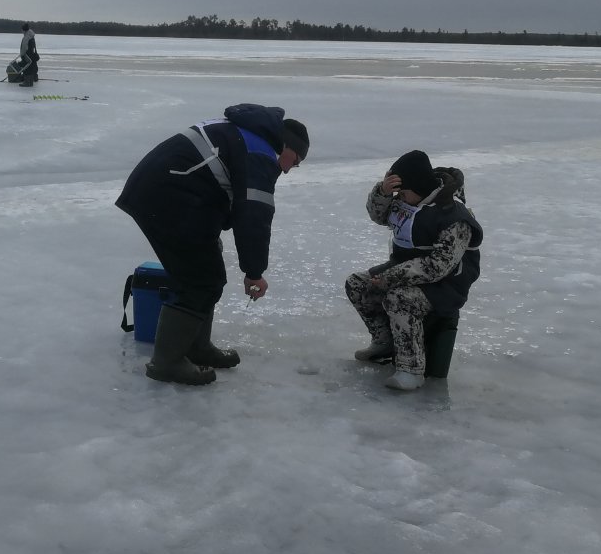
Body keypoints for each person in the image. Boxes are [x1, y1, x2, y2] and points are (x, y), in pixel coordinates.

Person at [116, 105, 309, 385]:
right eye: (296, 161)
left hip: (168, 192)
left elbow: (225, 192)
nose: (291, 169)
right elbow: (253, 218)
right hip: (166, 197)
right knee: (202, 280)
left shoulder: (249, 135)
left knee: (206, 268)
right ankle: (166, 363)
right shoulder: (261, 154)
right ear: (289, 148)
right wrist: (254, 272)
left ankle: (196, 347)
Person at [344, 150, 483, 392]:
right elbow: (379, 216)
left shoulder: (454, 216)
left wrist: (390, 279)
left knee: (399, 298)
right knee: (357, 284)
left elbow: (438, 265)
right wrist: (383, 193)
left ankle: (411, 369)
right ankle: (383, 342)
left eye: (402, 192)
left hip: (445, 285)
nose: (399, 198)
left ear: (418, 187)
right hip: (403, 271)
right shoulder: (408, 201)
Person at [16, 23, 39, 87]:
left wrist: (22, 54)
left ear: (23, 30)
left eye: (22, 30)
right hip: (31, 54)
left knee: (26, 68)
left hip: (27, 55)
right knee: (30, 68)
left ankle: (27, 83)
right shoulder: (31, 35)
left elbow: (24, 47)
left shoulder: (26, 37)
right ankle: (30, 82)